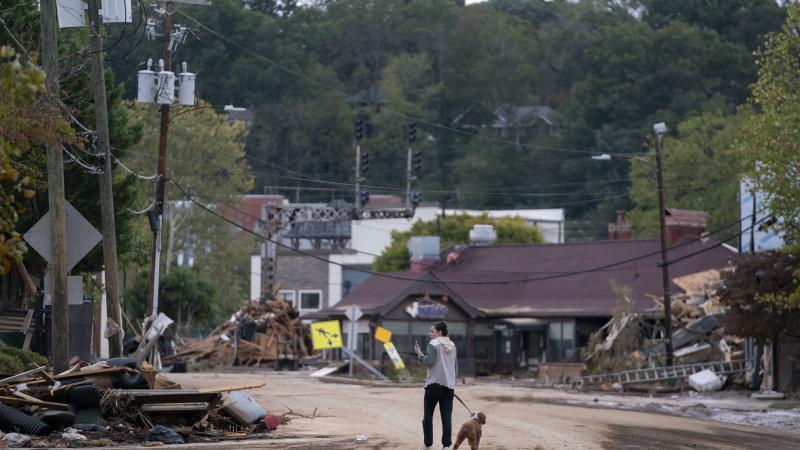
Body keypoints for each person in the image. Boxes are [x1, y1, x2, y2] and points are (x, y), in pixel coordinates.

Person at [414, 321, 457, 450]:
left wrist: (419, 353)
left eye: (432, 331)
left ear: (439, 332)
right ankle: (446, 446)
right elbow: (455, 367)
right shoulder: (452, 345)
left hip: (434, 385)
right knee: (447, 417)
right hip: (449, 386)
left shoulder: (433, 344)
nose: (430, 334)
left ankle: (428, 445)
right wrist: (451, 381)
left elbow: (430, 361)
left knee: (428, 416)